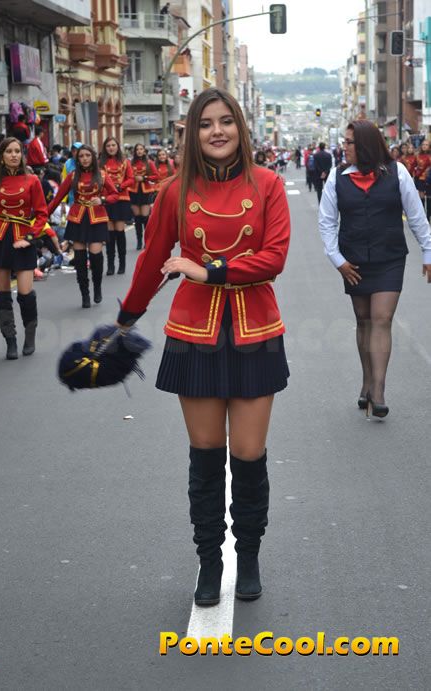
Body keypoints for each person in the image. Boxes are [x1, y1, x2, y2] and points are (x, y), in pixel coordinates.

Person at [116, 87, 291, 605]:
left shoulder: (268, 184)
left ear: (240, 128)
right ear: (193, 133)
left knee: (249, 456)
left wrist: (208, 270)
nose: (217, 131)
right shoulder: (175, 191)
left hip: (256, 331)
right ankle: (210, 561)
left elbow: (274, 257)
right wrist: (126, 317)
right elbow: (152, 258)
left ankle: (249, 554)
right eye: (206, 123)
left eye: (226, 121)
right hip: (195, 333)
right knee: (206, 456)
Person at [318, 120, 431, 418]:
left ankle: (378, 390)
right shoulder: (337, 177)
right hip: (353, 261)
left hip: (390, 258)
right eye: (344, 141)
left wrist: (428, 252)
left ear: (365, 145)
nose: (344, 147)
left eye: (349, 142)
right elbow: (326, 223)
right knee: (364, 319)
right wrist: (338, 261)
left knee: (382, 318)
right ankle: (367, 380)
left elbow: (416, 216)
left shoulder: (398, 172)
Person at [0, 137, 49, 359]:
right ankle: (10, 341)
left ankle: (29, 336)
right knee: (3, 293)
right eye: (9, 151)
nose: (14, 155)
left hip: (23, 239)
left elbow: (42, 214)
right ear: (1, 156)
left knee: (26, 294)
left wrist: (30, 236)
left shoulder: (32, 180)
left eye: (17, 151)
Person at [47, 145, 119, 308]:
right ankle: (85, 294)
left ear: (93, 157)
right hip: (77, 218)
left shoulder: (102, 174)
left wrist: (103, 200)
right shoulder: (72, 176)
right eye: (81, 156)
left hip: (96, 218)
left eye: (87, 155)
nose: (85, 158)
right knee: (79, 260)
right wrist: (42, 215)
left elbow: (115, 194)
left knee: (96, 256)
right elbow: (57, 198)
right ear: (77, 159)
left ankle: (97, 287)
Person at [99, 137, 134, 275]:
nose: (111, 148)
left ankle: (122, 263)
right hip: (107, 199)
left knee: (119, 231)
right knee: (109, 233)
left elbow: (131, 179)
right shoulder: (100, 163)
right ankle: (110, 265)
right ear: (105, 148)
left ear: (117, 146)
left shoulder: (125, 161)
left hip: (121, 198)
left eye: (113, 145)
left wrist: (120, 186)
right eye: (108, 146)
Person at [128, 143, 158, 250]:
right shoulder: (130, 163)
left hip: (145, 191)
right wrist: (133, 178)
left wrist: (144, 178)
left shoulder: (149, 162)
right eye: (137, 149)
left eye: (141, 149)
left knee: (145, 217)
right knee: (137, 218)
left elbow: (156, 176)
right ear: (135, 151)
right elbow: (126, 176)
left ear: (144, 151)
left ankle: (147, 240)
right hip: (133, 191)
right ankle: (139, 241)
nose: (139, 151)